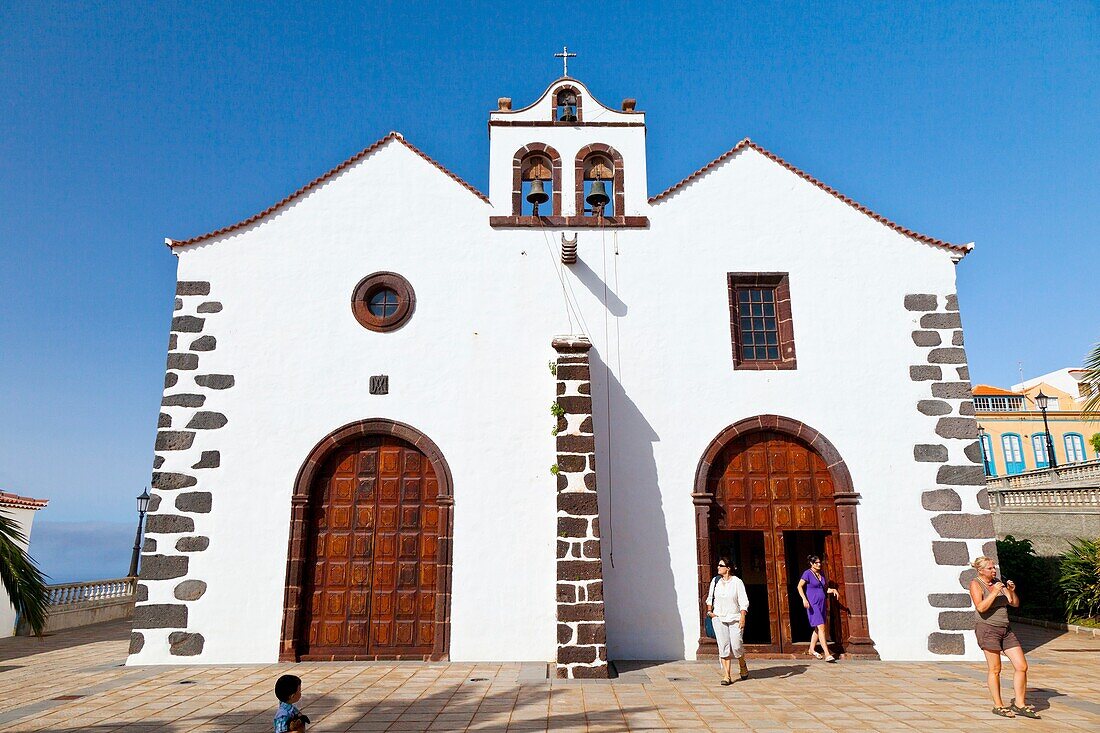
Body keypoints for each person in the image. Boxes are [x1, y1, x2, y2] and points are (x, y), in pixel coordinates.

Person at [969, 556, 1039, 719]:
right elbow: (981, 607)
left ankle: (1020, 704)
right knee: (995, 669)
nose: (994, 571)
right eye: (990, 568)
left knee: (1021, 666)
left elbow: (1014, 603)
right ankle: (998, 705)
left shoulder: (998, 582)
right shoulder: (976, 584)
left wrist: (1011, 590)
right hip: (987, 629)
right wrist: (994, 592)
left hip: (1006, 630)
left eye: (994, 568)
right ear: (980, 570)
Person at [705, 557, 750, 685]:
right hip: (718, 617)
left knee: (736, 645)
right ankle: (727, 675)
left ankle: (742, 663)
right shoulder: (715, 581)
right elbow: (710, 598)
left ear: (728, 568)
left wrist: (742, 617)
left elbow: (743, 601)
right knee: (723, 646)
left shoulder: (737, 582)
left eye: (721, 565)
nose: (718, 567)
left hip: (734, 618)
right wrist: (710, 612)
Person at [797, 555, 839, 662]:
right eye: (816, 563)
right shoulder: (807, 573)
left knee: (818, 628)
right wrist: (804, 599)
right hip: (813, 604)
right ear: (811, 564)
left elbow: (824, 589)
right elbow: (799, 586)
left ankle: (811, 649)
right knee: (821, 627)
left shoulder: (822, 574)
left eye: (820, 562)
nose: (819, 564)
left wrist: (833, 590)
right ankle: (827, 653)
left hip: (822, 603)